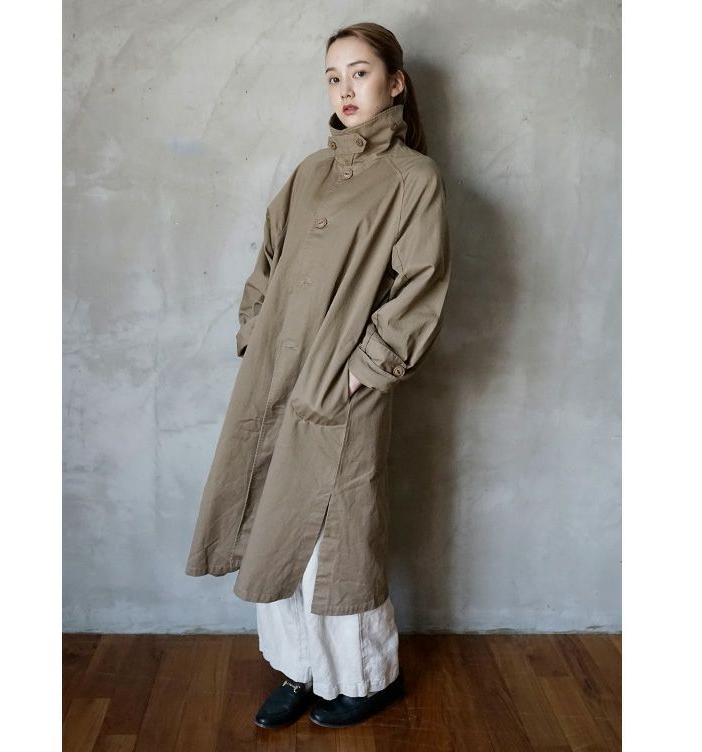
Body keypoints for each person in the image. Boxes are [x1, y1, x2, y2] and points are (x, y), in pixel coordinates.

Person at [184, 21, 452, 730]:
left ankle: (365, 676)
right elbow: (267, 260)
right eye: (334, 77)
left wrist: (365, 369)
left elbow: (421, 284)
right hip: (273, 377)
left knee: (337, 537)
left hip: (341, 383)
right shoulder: (310, 172)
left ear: (395, 82)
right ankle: (298, 668)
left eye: (360, 73)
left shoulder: (414, 179)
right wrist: (254, 332)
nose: (345, 89)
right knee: (272, 522)